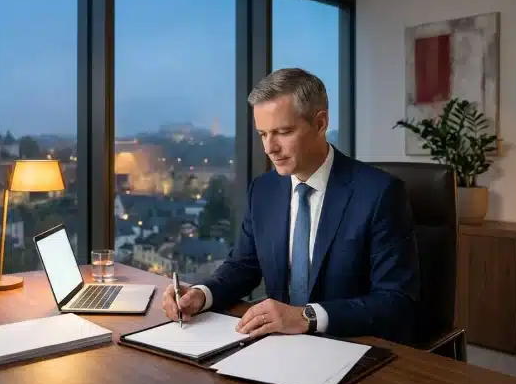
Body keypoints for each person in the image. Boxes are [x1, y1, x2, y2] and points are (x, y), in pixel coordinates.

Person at [162, 68, 420, 344]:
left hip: (352, 346)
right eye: (263, 134)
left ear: (320, 124)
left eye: (283, 132)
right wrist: (201, 294)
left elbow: (396, 301)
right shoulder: (263, 190)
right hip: (279, 346)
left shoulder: (380, 193)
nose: (269, 148)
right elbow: (243, 266)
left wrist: (306, 316)